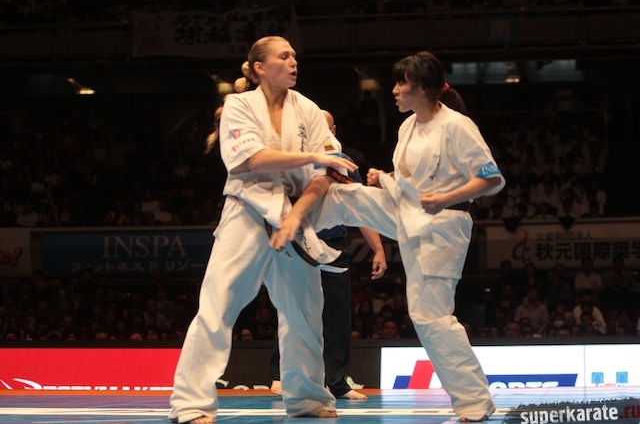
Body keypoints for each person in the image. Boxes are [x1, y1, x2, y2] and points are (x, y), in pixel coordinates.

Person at [271, 51, 504, 421]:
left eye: (401, 83)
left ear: (423, 88)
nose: (394, 90)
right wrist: (386, 179)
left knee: (430, 317)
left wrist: (446, 197)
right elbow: (415, 180)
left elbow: (491, 179)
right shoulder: (408, 125)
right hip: (406, 212)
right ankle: (303, 236)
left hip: (442, 225)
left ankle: (475, 401)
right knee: (342, 195)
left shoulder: (456, 126)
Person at [168, 36, 359, 424]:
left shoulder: (307, 109)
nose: (293, 62)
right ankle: (191, 403)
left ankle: (306, 397)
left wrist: (297, 212)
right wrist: (311, 155)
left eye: (294, 56)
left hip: (294, 218)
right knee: (218, 305)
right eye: (284, 56)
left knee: (305, 311)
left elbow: (330, 170)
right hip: (247, 212)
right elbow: (251, 160)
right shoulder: (238, 106)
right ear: (259, 67)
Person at [269, 110, 388, 401]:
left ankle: (337, 383)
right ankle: (280, 374)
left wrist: (378, 249)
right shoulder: (295, 159)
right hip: (298, 244)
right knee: (293, 308)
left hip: (334, 245)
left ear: (333, 130)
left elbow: (361, 210)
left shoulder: (344, 163)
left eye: (324, 126)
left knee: (337, 316)